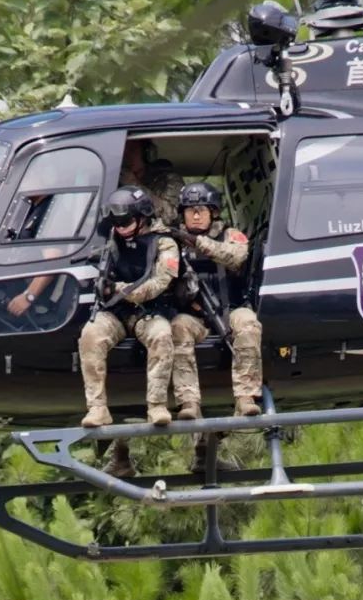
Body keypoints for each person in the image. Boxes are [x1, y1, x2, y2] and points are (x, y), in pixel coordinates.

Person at [77, 186, 182, 430]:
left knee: (162, 335)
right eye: (117, 223)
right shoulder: (112, 239)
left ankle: (156, 406)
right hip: (116, 312)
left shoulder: (164, 243)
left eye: (126, 222)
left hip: (149, 311)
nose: (122, 228)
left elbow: (158, 283)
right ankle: (97, 408)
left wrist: (118, 289)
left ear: (142, 217)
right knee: (90, 334)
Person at [169, 182, 262, 421]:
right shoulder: (172, 241)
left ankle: (245, 397)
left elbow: (236, 257)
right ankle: (189, 402)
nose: (196, 215)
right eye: (190, 210)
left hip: (228, 309)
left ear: (214, 212)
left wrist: (197, 242)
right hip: (193, 316)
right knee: (177, 327)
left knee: (249, 323)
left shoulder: (230, 235)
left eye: (202, 209)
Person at [119, 139, 183, 227]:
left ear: (146, 154)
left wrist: (135, 186)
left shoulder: (168, 180)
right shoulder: (114, 181)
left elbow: (171, 217)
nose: (126, 155)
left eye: (132, 150)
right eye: (123, 150)